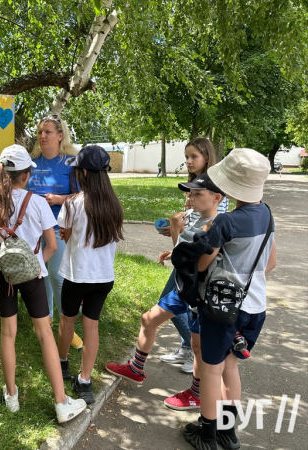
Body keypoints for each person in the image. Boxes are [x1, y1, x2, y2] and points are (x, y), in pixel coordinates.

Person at [0, 144, 87, 423]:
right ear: (26, 175)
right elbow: (51, 245)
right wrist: (35, 264)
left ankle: (12, 395)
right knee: (44, 335)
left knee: (8, 334)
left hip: (4, 276)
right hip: (33, 277)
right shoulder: (38, 203)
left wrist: (9, 264)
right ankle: (62, 402)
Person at [105, 172, 226, 411]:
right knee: (148, 319)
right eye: (191, 193)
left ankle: (196, 393)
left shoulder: (216, 226)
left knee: (197, 345)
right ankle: (136, 368)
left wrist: (176, 235)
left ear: (217, 198)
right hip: (185, 288)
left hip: (201, 294)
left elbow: (200, 264)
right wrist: (175, 247)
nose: (192, 198)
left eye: (198, 194)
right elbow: (189, 252)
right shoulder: (195, 219)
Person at [0, 115, 83, 349]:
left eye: (47, 132)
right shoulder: (32, 161)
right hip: (30, 236)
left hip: (57, 231)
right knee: (41, 278)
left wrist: (59, 199)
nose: (42, 136)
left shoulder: (70, 163)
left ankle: (67, 327)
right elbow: (6, 181)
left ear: (60, 135)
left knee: (57, 278)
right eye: (40, 132)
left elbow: (83, 196)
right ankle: (44, 322)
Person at [183, 148, 276, 450]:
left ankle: (207, 434)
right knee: (230, 367)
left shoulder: (227, 222)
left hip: (223, 309)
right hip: (255, 307)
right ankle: (228, 431)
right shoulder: (267, 214)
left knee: (211, 369)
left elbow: (201, 265)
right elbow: (270, 263)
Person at [56, 145, 124, 405]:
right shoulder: (114, 204)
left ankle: (62, 364)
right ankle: (85, 380)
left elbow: (65, 234)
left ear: (83, 172)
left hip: (77, 275)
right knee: (91, 325)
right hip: (103, 278)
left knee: (67, 320)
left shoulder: (73, 203)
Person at [158, 138, 229, 374]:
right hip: (190, 253)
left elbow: (211, 231)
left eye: (193, 157)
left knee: (170, 303)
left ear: (206, 158)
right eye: (186, 156)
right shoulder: (195, 185)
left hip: (199, 260)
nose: (188, 161)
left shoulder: (215, 189)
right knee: (183, 304)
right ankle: (187, 347)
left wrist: (178, 234)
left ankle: (193, 349)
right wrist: (176, 229)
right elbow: (196, 224)